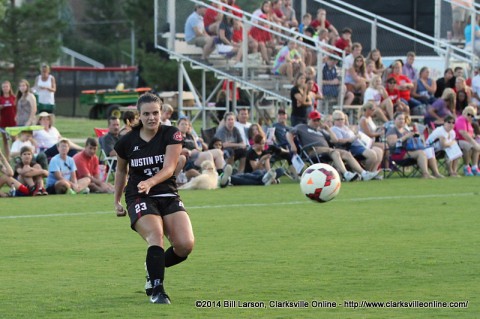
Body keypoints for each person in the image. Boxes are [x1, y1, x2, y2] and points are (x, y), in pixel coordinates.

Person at [114, 92, 194, 304]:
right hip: (139, 196)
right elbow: (121, 172)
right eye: (146, 114)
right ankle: (157, 289)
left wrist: (151, 182)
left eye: (155, 113)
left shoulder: (172, 134)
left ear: (162, 112)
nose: (152, 117)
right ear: (139, 115)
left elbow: (169, 168)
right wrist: (116, 201)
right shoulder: (126, 142)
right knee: (155, 237)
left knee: (185, 245)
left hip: (167, 192)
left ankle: (152, 265)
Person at [287, 110, 379, 182]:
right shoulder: (302, 127)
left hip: (327, 150)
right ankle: (346, 174)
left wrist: (327, 129)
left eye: (318, 120)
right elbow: (289, 133)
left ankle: (364, 173)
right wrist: (292, 145)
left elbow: (334, 140)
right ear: (309, 120)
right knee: (334, 151)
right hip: (313, 150)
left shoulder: (320, 131)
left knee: (346, 153)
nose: (317, 122)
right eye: (314, 120)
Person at [386, 112, 443, 179]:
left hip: (409, 150)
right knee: (421, 153)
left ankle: (436, 173)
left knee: (429, 150)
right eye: (400, 119)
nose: (402, 121)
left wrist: (414, 136)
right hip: (398, 153)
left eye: (403, 119)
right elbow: (392, 144)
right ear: (395, 120)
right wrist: (405, 137)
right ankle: (425, 174)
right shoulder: (392, 130)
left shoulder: (405, 129)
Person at [330, 110, 384, 174]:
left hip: (360, 144)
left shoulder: (345, 127)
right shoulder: (334, 129)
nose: (340, 121)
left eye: (342, 119)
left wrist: (356, 135)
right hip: (351, 147)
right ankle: (367, 172)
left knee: (379, 151)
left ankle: (373, 171)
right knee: (372, 155)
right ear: (334, 120)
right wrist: (351, 139)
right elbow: (338, 140)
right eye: (338, 119)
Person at [454, 106, 480, 176]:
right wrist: (474, 143)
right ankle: (467, 167)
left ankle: (475, 167)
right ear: (465, 113)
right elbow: (463, 133)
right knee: (470, 146)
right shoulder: (461, 119)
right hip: (458, 140)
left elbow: (470, 134)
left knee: (477, 148)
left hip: (467, 140)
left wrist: (475, 136)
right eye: (468, 114)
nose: (470, 116)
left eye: (472, 115)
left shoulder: (468, 122)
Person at [0, 80, 16, 158]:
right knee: (5, 141)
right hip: (3, 122)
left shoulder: (14, 98)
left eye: (6, 86)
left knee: (14, 140)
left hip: (13, 122)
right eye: (3, 87)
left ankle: (15, 156)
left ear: (9, 88)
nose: (5, 88)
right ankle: (7, 157)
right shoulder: (1, 98)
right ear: (2, 88)